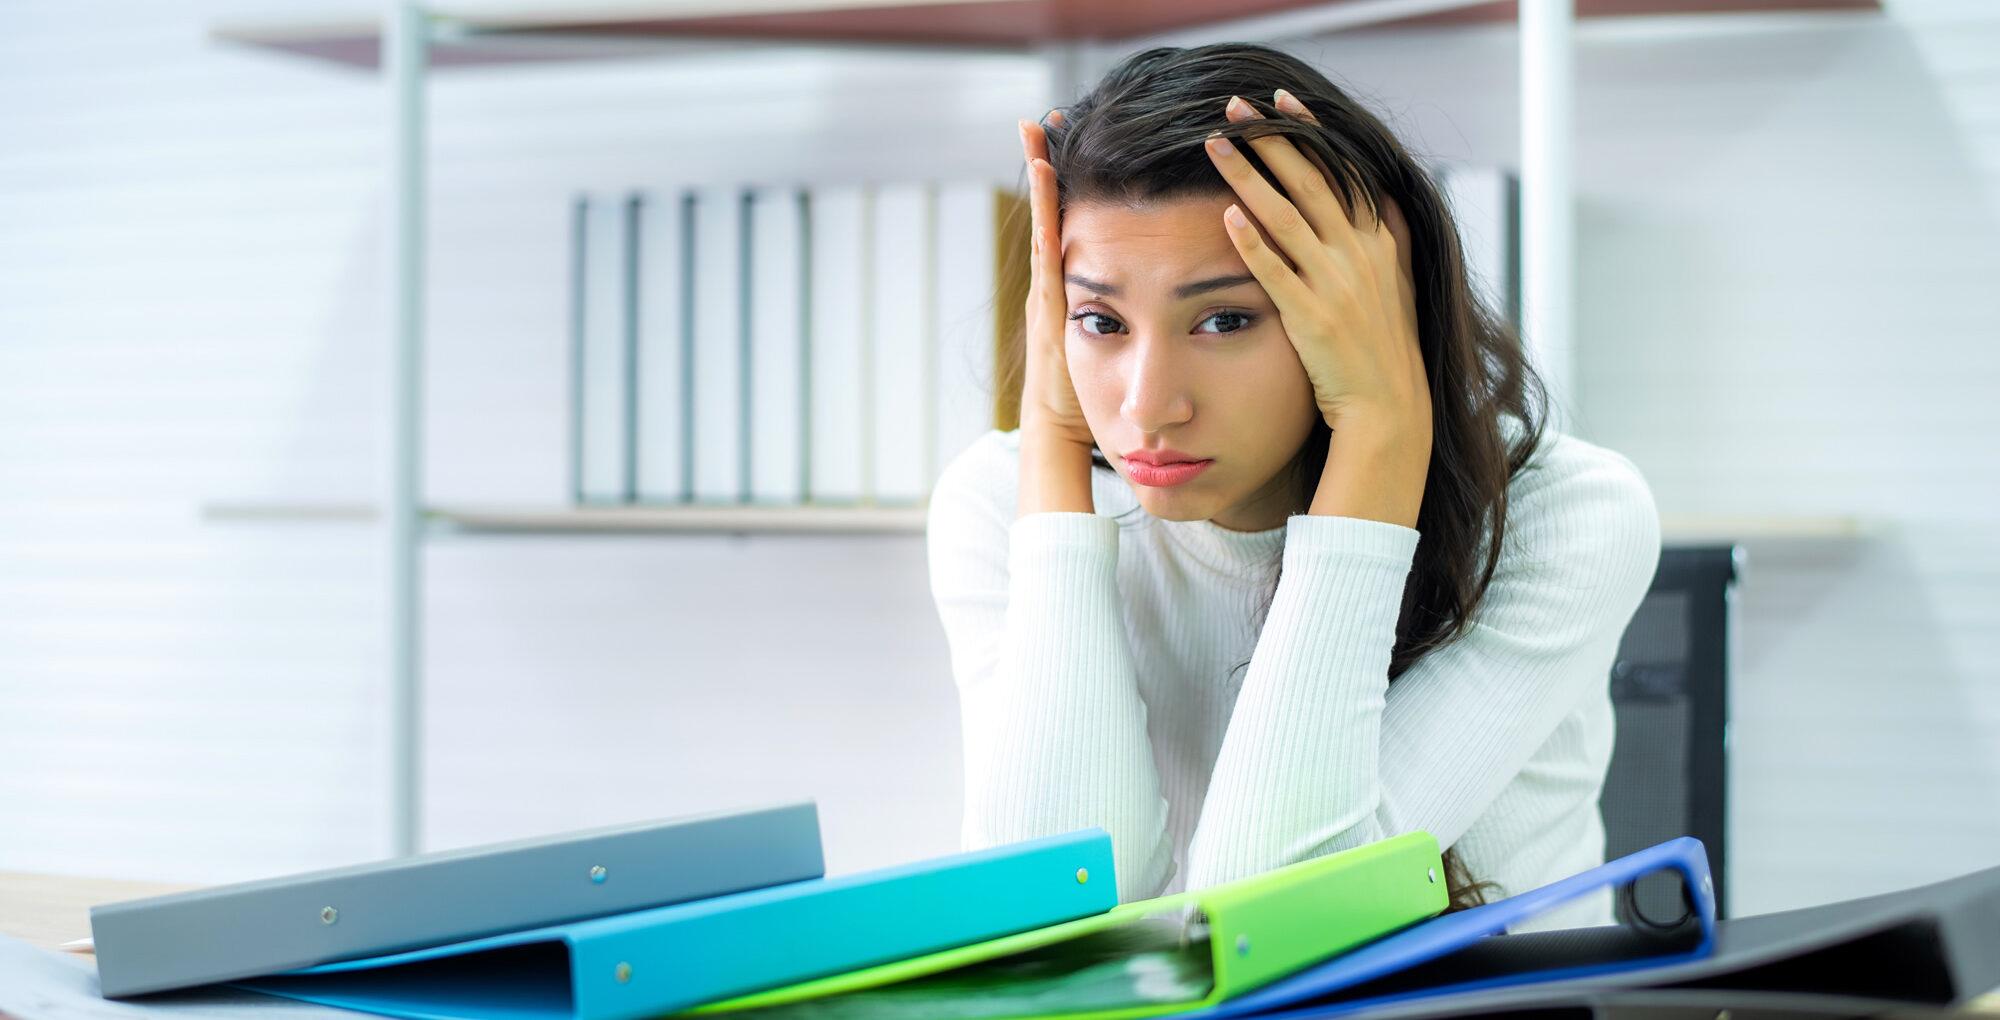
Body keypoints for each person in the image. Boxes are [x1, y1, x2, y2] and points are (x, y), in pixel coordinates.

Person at [923, 42, 1661, 933]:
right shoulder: (1002, 505)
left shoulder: (1566, 516)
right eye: (1100, 320)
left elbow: (1271, 918)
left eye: (1225, 318)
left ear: (1366, 300)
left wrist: (1382, 429)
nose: (1149, 404)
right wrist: (1049, 432)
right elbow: (1046, 923)